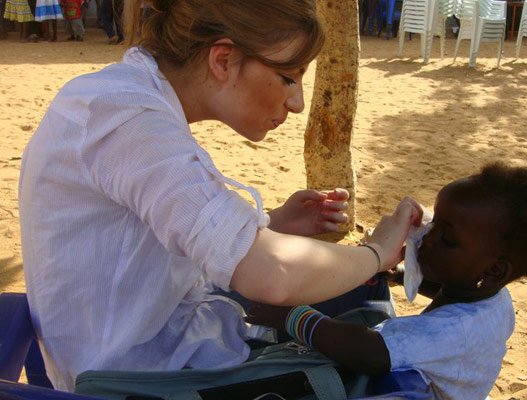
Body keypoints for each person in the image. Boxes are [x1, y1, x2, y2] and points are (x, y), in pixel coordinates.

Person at [19, 0, 423, 392]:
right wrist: (379, 252)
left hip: (150, 334)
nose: (297, 102)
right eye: (289, 76)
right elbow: (272, 274)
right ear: (224, 60)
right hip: (134, 375)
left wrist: (276, 224)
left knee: (355, 295)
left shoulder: (129, 99)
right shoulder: (126, 117)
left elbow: (146, 235)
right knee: (368, 304)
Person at [247, 163, 527, 400]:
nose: (427, 238)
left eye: (447, 239)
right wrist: (398, 275)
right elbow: (449, 291)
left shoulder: (453, 332)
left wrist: (293, 317)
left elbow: (372, 353)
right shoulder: (490, 295)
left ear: (494, 270)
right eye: (435, 222)